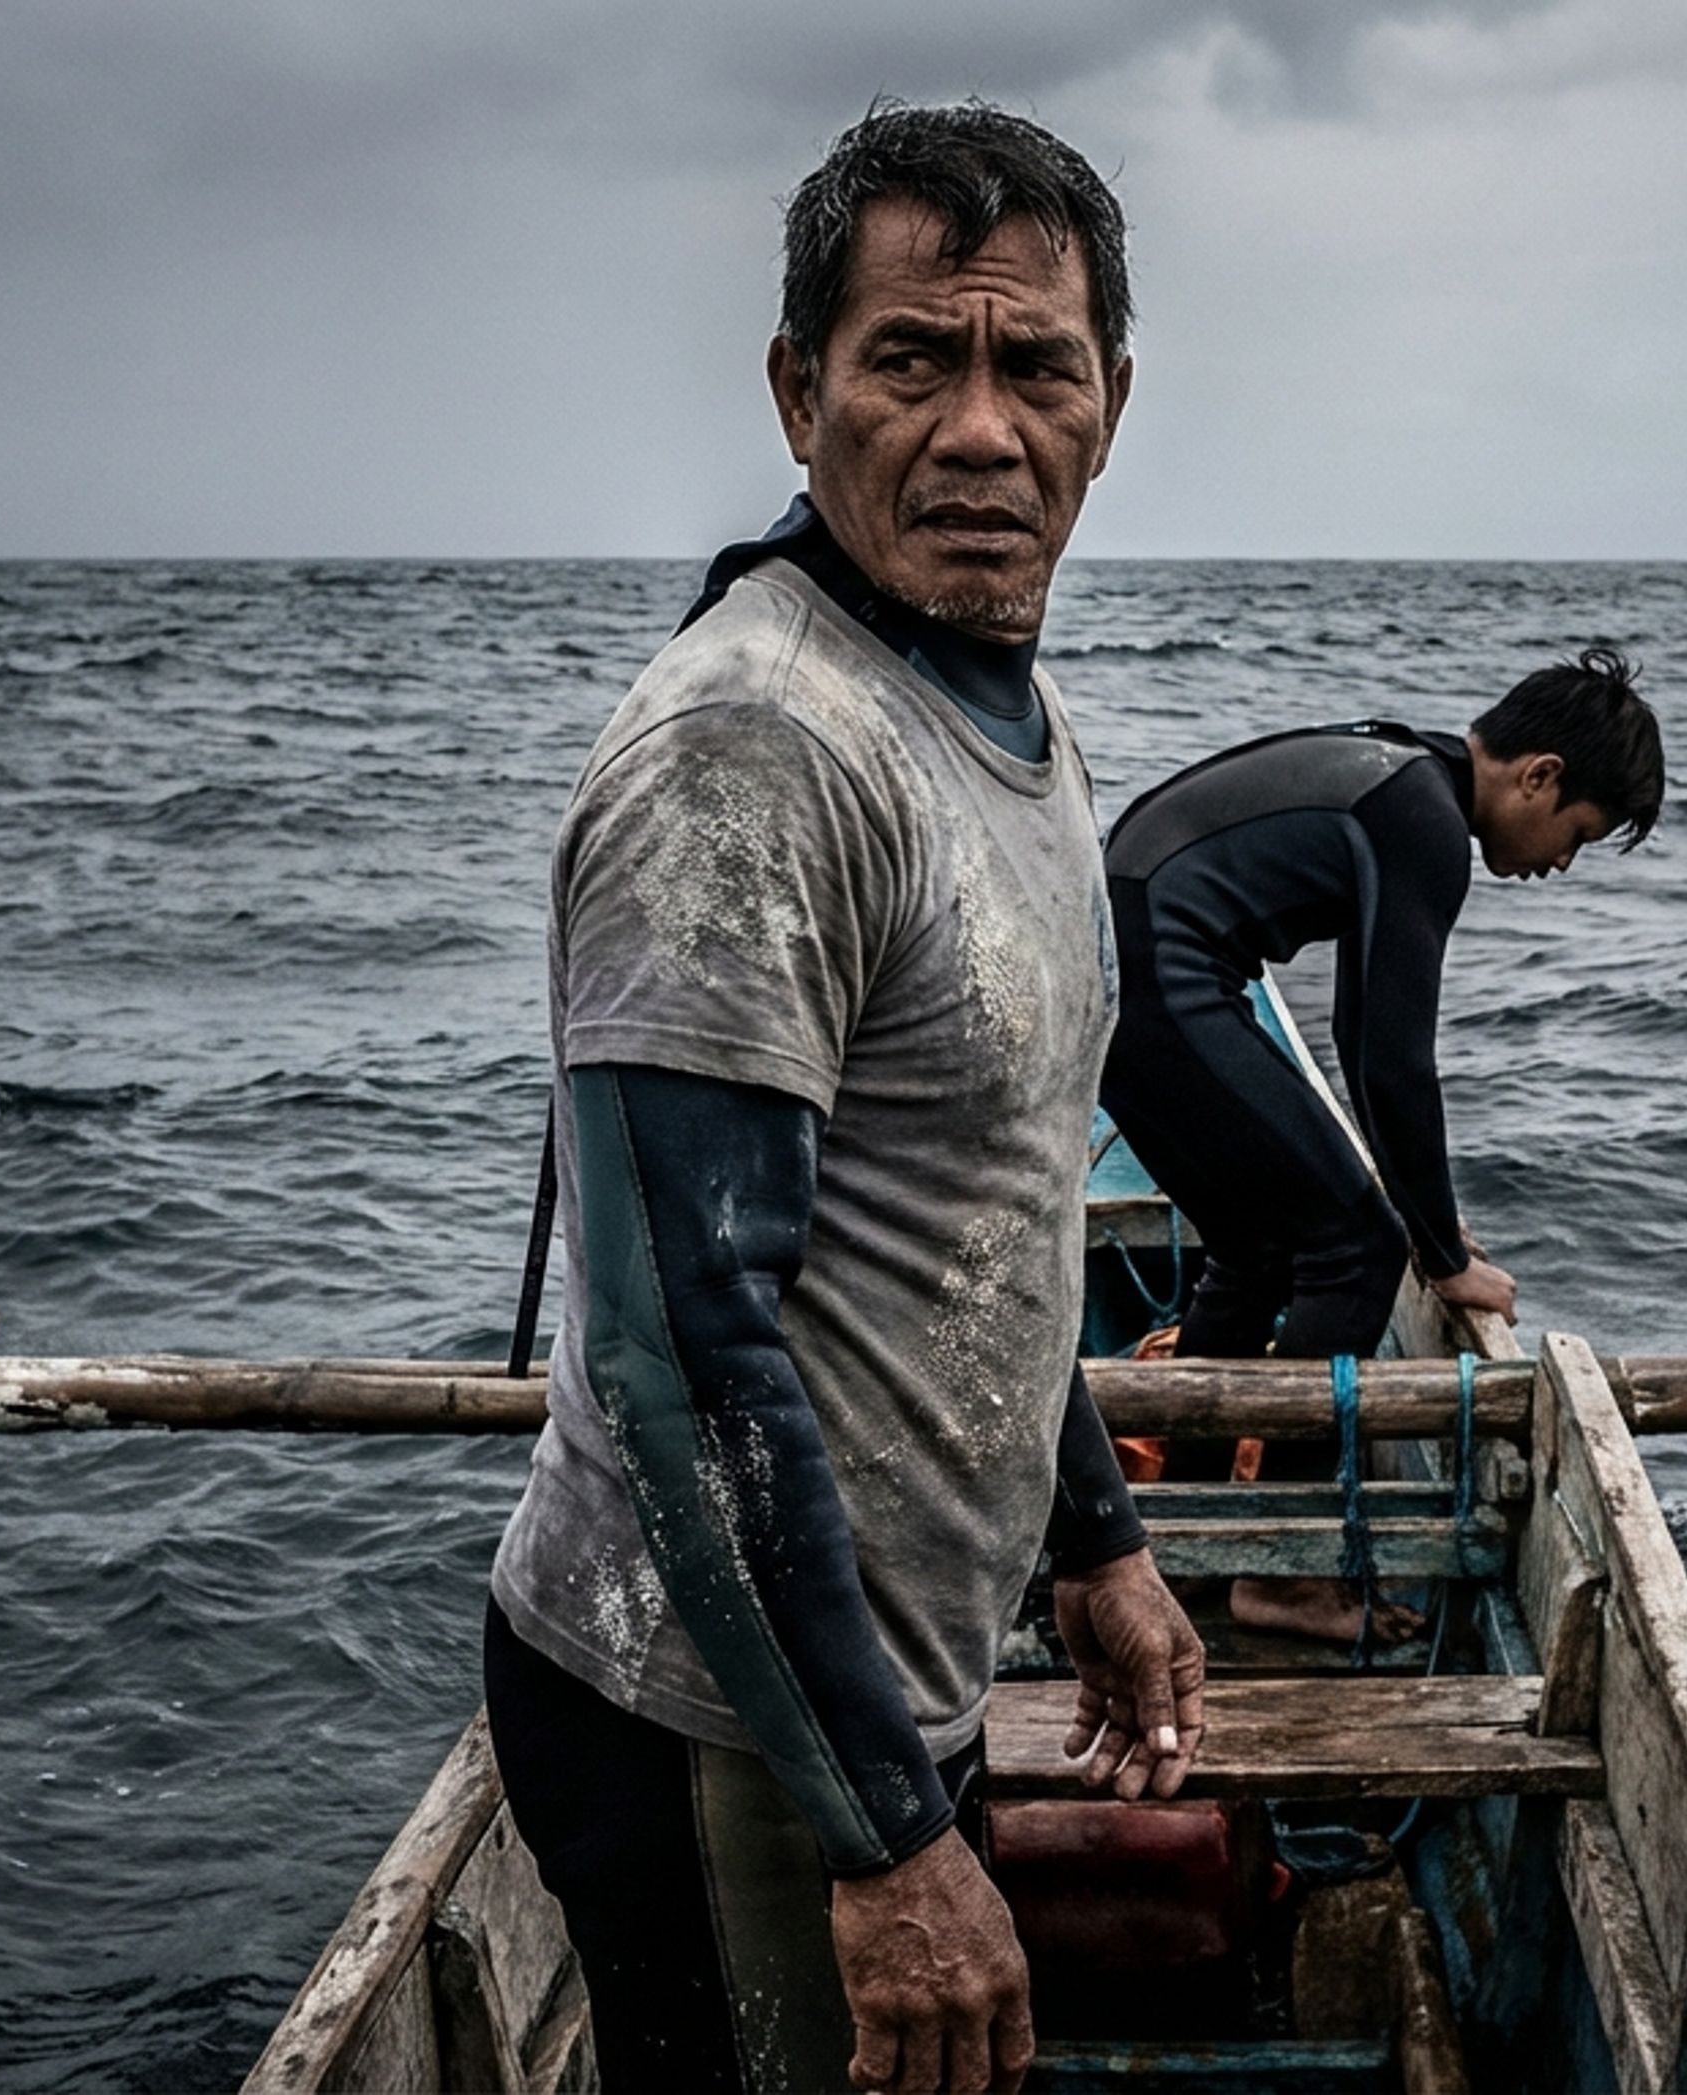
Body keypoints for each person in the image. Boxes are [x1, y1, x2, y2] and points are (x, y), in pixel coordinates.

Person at [482, 102, 1205, 2095]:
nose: (982, 429)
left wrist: (1093, 1541)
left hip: (881, 1693)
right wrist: (888, 1842)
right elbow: (681, 1343)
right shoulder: (754, 747)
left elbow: (991, 1206)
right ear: (801, 393)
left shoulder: (998, 701)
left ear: (1109, 405)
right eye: (912, 360)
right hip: (721, 1727)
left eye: (1034, 366)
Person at [1096, 652, 1668, 1642]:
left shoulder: (1407, 776)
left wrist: (1423, 1217)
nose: (1561, 864)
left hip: (1116, 963)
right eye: (1575, 835)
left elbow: (1366, 1035)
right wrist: (1438, 1253)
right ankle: (1280, 1571)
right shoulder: (1426, 824)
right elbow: (1394, 1065)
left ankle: (1190, 1526)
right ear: (1538, 775)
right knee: (1355, 1245)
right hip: (1155, 973)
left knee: (1261, 1244)